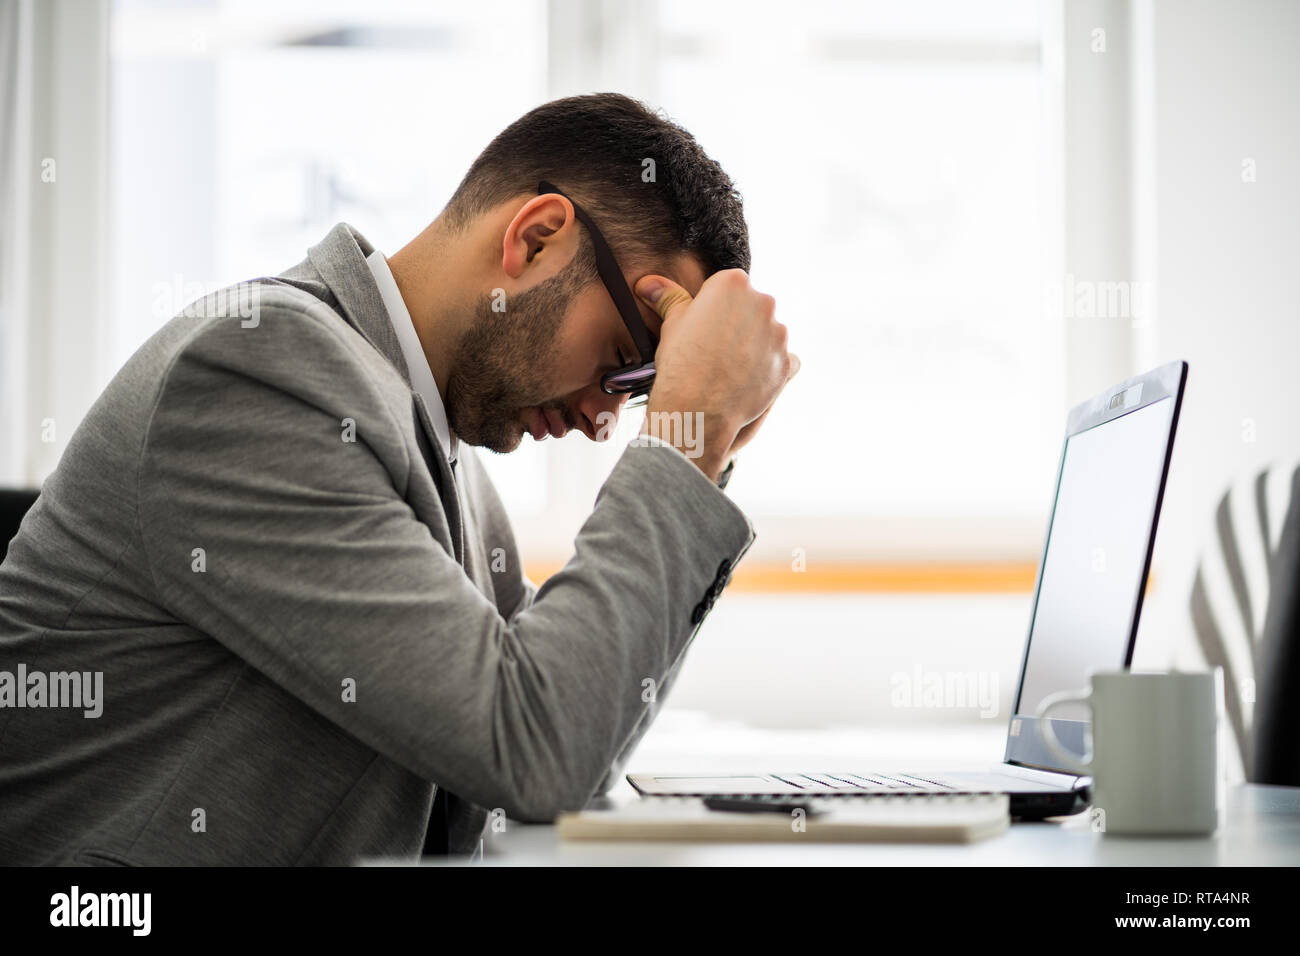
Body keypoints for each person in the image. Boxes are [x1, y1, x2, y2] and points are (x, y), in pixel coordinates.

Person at [0, 92, 795, 865]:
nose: (602, 422)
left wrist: (707, 443)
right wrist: (685, 442)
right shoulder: (259, 368)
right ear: (538, 239)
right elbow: (539, 746)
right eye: (625, 366)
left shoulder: (445, 460)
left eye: (647, 391)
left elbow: (572, 741)